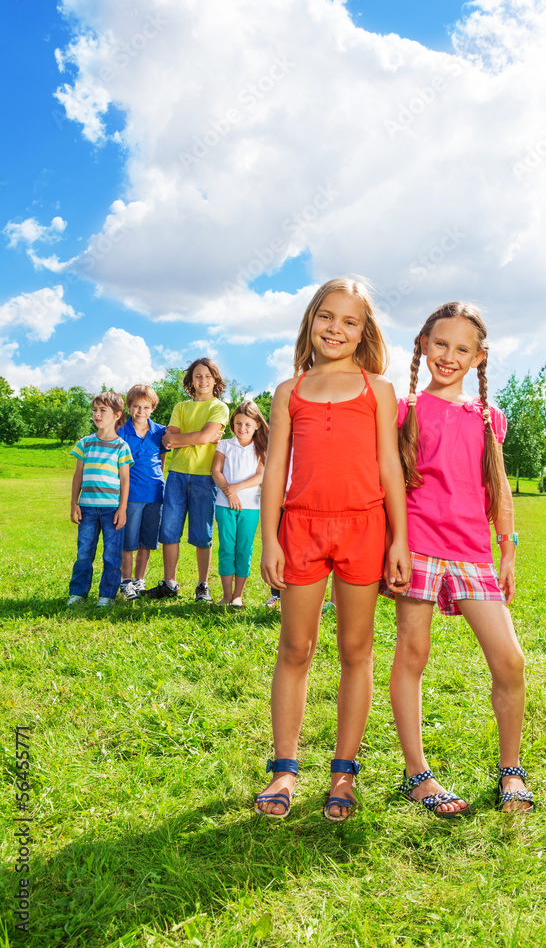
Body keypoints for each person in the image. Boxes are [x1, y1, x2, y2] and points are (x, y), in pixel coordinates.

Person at [257, 277, 411, 821]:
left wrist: (399, 538)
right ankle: (284, 769)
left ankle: (343, 774)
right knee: (295, 648)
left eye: (350, 321)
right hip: (301, 527)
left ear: (365, 330)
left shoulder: (378, 389)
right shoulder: (288, 391)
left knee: (355, 650)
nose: (336, 329)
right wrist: (269, 535)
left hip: (364, 527)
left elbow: (390, 467)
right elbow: (275, 468)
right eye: (327, 316)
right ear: (310, 320)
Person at [389, 301, 534, 815]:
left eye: (462, 349)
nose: (449, 356)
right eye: (440, 344)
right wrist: (393, 546)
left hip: (472, 553)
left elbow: (498, 487)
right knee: (413, 653)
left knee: (510, 659)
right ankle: (417, 774)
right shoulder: (402, 410)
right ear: (424, 345)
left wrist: (508, 548)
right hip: (418, 547)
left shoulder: (489, 417)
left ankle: (511, 771)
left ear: (479, 357)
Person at [146, 358, 228, 602]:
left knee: (202, 534)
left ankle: (202, 585)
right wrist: (202, 437)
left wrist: (197, 437)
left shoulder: (219, 407)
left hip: (205, 478)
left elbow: (198, 438)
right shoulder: (181, 407)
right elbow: (167, 440)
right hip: (177, 475)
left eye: (207, 376)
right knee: (169, 530)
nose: (202, 380)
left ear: (215, 379)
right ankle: (169, 583)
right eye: (197, 376)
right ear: (191, 381)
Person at [67, 391, 133, 608]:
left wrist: (122, 509)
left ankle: (107, 596)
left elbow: (125, 479)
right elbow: (78, 475)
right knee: (84, 552)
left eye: (102, 410)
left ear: (116, 415)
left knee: (112, 555)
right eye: (94, 410)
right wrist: (74, 503)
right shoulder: (85, 443)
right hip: (86, 508)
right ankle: (78, 593)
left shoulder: (122, 446)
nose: (97, 414)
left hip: (111, 509)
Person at [212, 400, 268, 606]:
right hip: (224, 505)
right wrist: (229, 493)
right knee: (227, 548)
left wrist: (236, 489)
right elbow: (216, 472)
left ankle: (238, 596)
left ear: (257, 426)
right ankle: (226, 595)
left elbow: (260, 476)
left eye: (247, 424)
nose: (242, 428)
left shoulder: (260, 448)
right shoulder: (225, 445)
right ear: (232, 424)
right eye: (238, 424)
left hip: (250, 507)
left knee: (244, 549)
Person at [116, 384, 168, 599]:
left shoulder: (160, 431)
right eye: (136, 406)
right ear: (129, 407)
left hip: (155, 494)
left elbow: (162, 460)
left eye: (146, 407)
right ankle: (125, 582)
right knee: (129, 541)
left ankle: (139, 580)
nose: (141, 411)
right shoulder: (121, 431)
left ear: (153, 408)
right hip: (131, 495)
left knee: (147, 541)